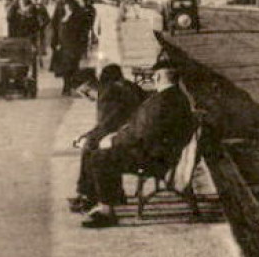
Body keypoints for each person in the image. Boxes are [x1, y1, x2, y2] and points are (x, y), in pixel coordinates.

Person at [81, 62, 195, 228]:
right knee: (104, 151)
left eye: (154, 76)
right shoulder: (174, 97)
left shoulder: (162, 102)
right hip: (160, 152)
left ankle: (107, 211)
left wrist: (113, 141)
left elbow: (141, 134)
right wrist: (117, 138)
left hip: (154, 159)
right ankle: (107, 201)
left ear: (157, 77)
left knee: (100, 157)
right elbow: (143, 131)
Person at [68, 64, 147, 213]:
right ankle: (111, 194)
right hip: (136, 134)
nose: (87, 98)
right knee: (93, 143)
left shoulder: (108, 95)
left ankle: (88, 196)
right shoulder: (117, 88)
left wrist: (86, 138)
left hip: (135, 141)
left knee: (90, 148)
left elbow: (107, 126)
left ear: (86, 88)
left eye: (83, 94)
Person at [53, 0, 94, 95]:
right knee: (65, 66)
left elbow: (84, 28)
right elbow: (54, 27)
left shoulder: (79, 14)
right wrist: (55, 42)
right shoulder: (60, 13)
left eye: (68, 4)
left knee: (73, 66)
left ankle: (71, 85)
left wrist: (83, 43)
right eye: (64, 4)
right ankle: (67, 86)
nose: (66, 6)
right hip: (63, 44)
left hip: (74, 44)